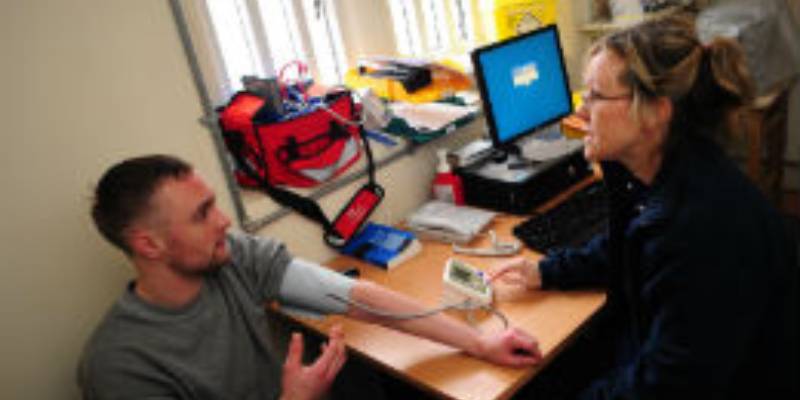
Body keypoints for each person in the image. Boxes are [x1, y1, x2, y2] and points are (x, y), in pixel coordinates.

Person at [491, 14, 797, 399]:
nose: (581, 111)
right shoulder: (658, 170)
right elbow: (628, 247)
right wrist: (547, 271)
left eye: (596, 96)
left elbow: (666, 386)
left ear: (655, 111)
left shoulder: (701, 230)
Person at [78, 154, 542, 400]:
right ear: (148, 245)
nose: (224, 221)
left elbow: (359, 297)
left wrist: (478, 343)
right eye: (201, 215)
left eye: (215, 204)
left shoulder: (231, 256)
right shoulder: (120, 366)